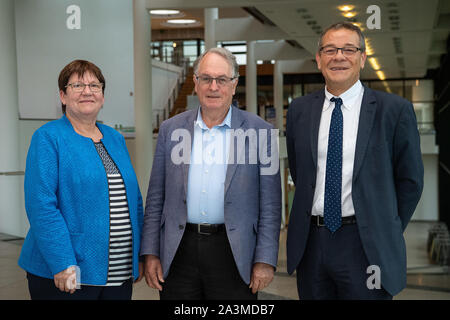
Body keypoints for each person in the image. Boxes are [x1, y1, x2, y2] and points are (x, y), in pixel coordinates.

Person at [286, 22, 424, 299]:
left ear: (362, 58)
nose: (338, 56)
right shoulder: (300, 110)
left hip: (366, 247)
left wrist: (384, 225)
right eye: (330, 50)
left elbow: (410, 181)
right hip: (312, 244)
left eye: (349, 49)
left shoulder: (394, 111)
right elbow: (301, 173)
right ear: (318, 58)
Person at [140, 47, 281, 300]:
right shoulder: (170, 129)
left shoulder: (262, 132)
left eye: (221, 79)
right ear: (195, 83)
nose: (213, 86)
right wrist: (151, 253)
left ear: (234, 84)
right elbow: (155, 198)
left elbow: (270, 206)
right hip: (179, 250)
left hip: (235, 253)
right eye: (206, 79)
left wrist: (265, 259)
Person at [18, 60, 144, 300]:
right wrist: (62, 262)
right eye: (77, 85)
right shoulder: (48, 137)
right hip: (68, 272)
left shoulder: (115, 138)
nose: (87, 91)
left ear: (103, 96)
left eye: (95, 85)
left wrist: (137, 253)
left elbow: (134, 200)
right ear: (63, 96)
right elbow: (41, 205)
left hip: (118, 273)